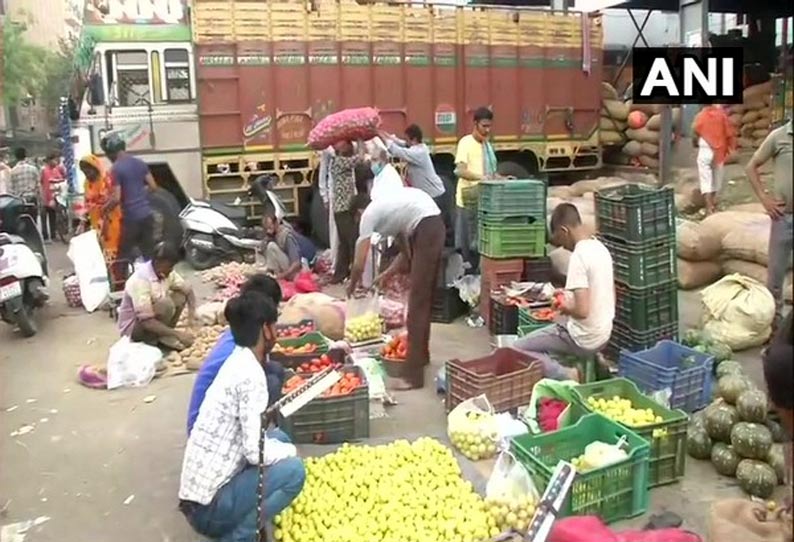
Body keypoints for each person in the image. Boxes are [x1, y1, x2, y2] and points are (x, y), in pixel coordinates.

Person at [179, 292, 305, 541]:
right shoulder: (251, 375)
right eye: (274, 325)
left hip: (197, 497)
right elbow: (253, 451)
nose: (276, 332)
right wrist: (291, 454)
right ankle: (240, 535)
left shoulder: (237, 360)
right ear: (265, 330)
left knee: (278, 437)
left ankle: (240, 521)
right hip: (208, 508)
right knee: (294, 471)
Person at [347, 188, 444, 389]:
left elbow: (360, 261)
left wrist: (352, 283)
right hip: (431, 225)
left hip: (427, 226)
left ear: (358, 212)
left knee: (417, 304)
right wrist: (386, 274)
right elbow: (405, 253)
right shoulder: (391, 212)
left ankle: (412, 378)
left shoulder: (369, 214)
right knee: (422, 300)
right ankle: (421, 357)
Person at [513, 203, 615, 381]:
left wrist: (564, 307)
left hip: (583, 339)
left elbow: (582, 311)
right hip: (604, 334)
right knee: (557, 325)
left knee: (517, 348)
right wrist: (567, 298)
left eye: (560, 240)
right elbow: (607, 294)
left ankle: (566, 374)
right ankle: (596, 360)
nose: (562, 248)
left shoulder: (579, 256)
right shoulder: (601, 249)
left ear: (564, 230)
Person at [187, 274, 284, 435]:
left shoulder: (243, 331)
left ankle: (265, 427)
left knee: (275, 369)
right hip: (208, 427)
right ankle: (258, 432)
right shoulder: (242, 353)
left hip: (214, 415)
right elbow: (251, 385)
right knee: (271, 382)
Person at [746, 119, 792, 332]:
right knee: (775, 278)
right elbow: (751, 167)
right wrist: (765, 199)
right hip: (783, 218)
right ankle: (776, 330)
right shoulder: (779, 136)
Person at [117, 242, 196, 350]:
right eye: (169, 266)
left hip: (153, 319)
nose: (171, 270)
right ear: (159, 262)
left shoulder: (166, 273)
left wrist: (191, 320)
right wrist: (177, 334)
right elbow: (146, 322)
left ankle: (163, 336)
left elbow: (188, 290)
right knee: (165, 304)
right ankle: (152, 340)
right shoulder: (140, 280)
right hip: (133, 329)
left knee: (180, 296)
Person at [381, 125, 449, 235]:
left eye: (407, 139)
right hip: (430, 194)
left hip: (435, 195)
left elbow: (398, 151)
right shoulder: (417, 147)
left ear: (414, 139)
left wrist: (380, 136)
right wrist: (385, 135)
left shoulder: (419, 153)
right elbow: (401, 143)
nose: (405, 142)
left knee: (432, 226)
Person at [101, 133, 158, 262]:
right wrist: (140, 195)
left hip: (132, 218)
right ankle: (153, 279)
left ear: (111, 152)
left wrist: (105, 208)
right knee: (148, 253)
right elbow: (153, 186)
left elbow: (116, 198)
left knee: (123, 255)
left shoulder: (116, 168)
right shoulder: (140, 163)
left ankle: (123, 281)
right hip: (147, 215)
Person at [454, 107, 500, 266]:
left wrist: (500, 178)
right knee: (468, 245)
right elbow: (460, 170)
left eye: (489, 126)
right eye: (484, 126)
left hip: (484, 201)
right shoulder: (465, 143)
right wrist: (481, 178)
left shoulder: (487, 146)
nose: (487, 130)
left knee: (480, 243)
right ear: (475, 124)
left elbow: (492, 172)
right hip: (468, 201)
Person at [79, 154, 123, 273]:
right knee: (99, 251)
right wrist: (84, 220)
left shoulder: (106, 179)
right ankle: (107, 277)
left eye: (88, 170)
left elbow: (115, 198)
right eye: (84, 171)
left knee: (112, 249)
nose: (86, 173)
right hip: (95, 222)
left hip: (110, 220)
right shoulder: (87, 183)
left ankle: (116, 277)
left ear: (95, 167)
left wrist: (104, 209)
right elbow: (86, 202)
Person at [692, 105, 736, 215]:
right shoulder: (722, 115)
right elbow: (729, 133)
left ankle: (709, 207)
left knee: (705, 178)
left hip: (705, 149)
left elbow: (695, 131)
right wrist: (732, 148)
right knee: (717, 177)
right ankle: (714, 203)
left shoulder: (700, 116)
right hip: (719, 150)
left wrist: (695, 143)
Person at [262, 214, 304, 281]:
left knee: (271, 246)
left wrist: (283, 275)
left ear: (276, 224)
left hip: (292, 272)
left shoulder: (286, 236)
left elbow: (296, 263)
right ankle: (272, 274)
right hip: (284, 268)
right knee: (270, 246)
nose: (268, 231)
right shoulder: (274, 235)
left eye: (270, 227)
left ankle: (277, 276)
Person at [39, 151, 66, 242]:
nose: (56, 161)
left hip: (54, 197)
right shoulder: (43, 170)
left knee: (52, 217)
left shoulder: (56, 170)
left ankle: (53, 235)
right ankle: (45, 236)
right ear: (49, 160)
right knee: (43, 217)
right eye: (54, 159)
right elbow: (40, 182)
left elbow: (61, 180)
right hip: (45, 197)